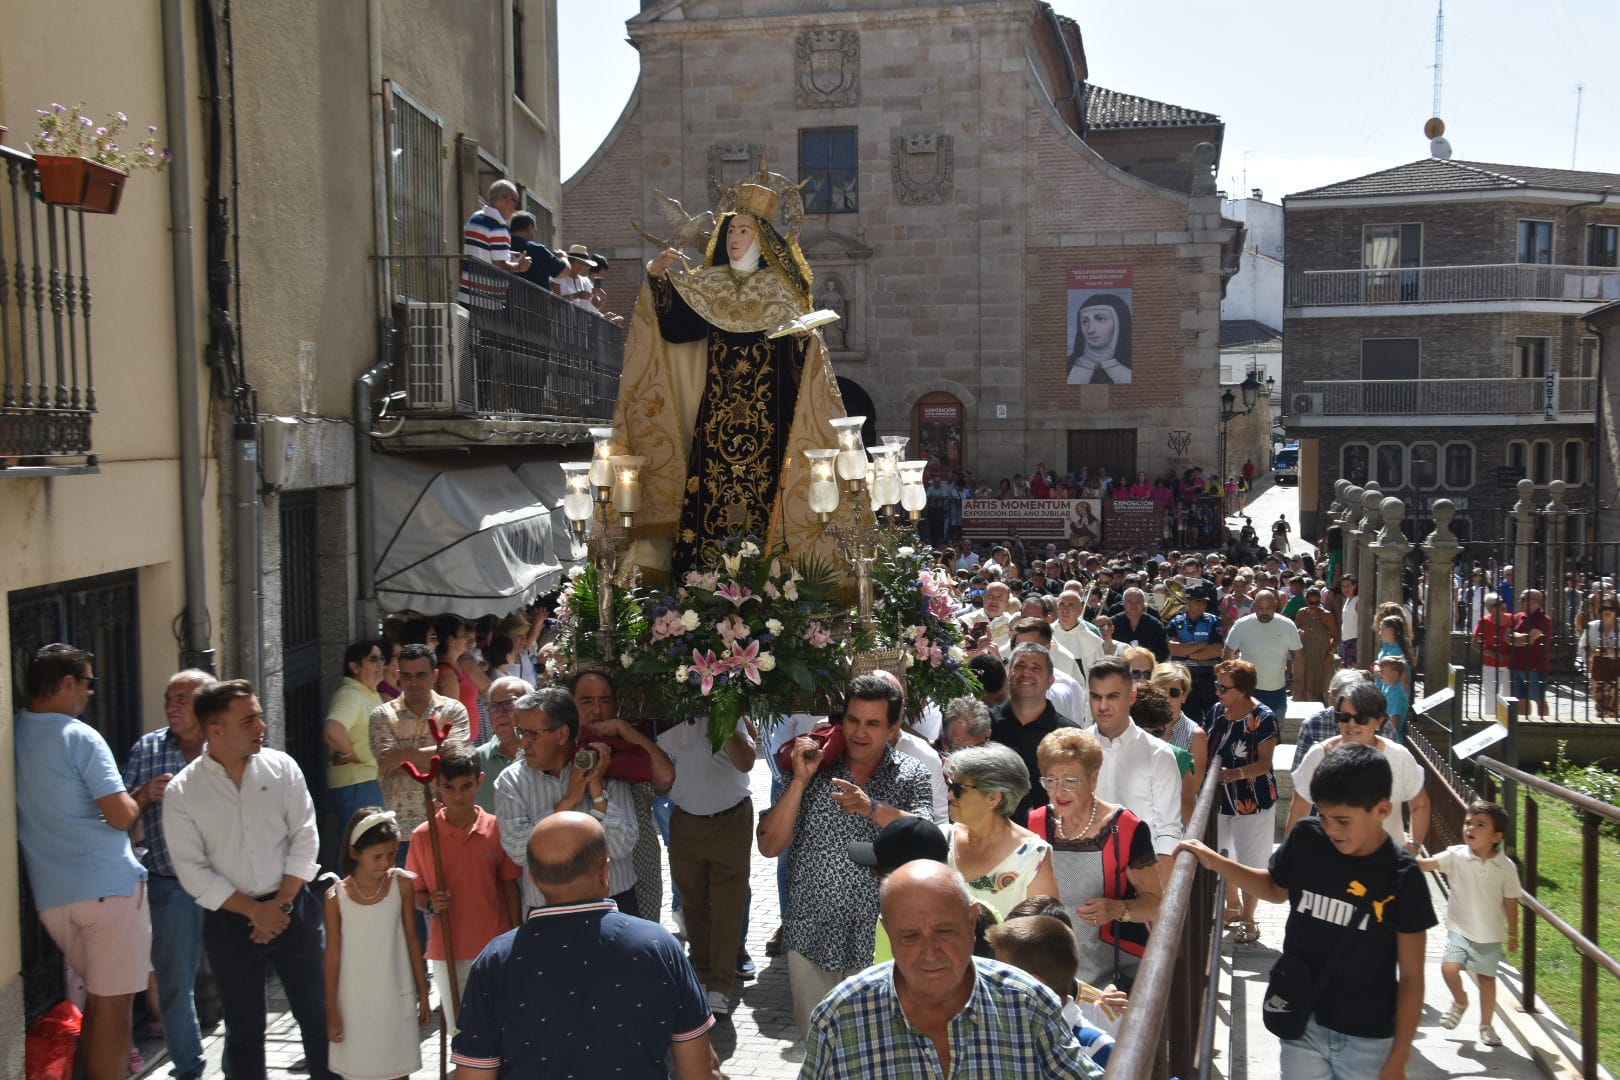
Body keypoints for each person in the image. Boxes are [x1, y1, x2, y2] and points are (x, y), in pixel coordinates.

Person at [617, 165, 848, 577]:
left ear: (760, 236)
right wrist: (657, 279)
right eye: (730, 231)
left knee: (765, 496)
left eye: (743, 230)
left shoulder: (781, 291)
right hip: (717, 417)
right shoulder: (708, 285)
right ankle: (703, 577)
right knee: (710, 492)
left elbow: (798, 366)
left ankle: (771, 579)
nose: (734, 238)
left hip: (767, 419)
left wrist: (801, 341)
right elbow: (676, 329)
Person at [1177, 744, 1436, 1080]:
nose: (1331, 830)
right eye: (1324, 816)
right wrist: (1215, 861)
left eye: (1343, 820)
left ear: (1383, 810)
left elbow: (1413, 978)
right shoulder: (1306, 838)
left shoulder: (1404, 877)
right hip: (1303, 1023)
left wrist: (1398, 1060)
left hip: (1368, 1038)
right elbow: (1274, 889)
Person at [450, 812, 719, 1078]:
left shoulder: (494, 961)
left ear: (534, 880)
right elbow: (700, 1069)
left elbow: (474, 1073)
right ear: (605, 872)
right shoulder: (660, 946)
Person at [164, 679, 334, 1080]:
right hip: (230, 921)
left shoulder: (282, 768)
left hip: (295, 908)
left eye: (259, 716)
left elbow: (305, 835)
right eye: (249, 720)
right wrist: (255, 912)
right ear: (216, 730)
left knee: (318, 1018)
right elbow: (192, 870)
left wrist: (281, 905)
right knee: (243, 1030)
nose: (261, 726)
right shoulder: (183, 792)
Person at [802, 861, 1100, 1078]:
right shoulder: (840, 1018)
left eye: (945, 931)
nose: (930, 953)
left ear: (972, 923)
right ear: (888, 933)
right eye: (910, 936)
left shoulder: (1027, 1004)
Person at [757, 675, 933, 1033]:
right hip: (811, 935)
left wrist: (872, 808)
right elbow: (769, 845)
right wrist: (801, 780)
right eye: (852, 720)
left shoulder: (912, 773)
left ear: (894, 727)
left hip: (883, 939)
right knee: (820, 1048)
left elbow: (927, 839)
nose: (860, 732)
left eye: (873, 723)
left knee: (878, 1051)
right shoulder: (811, 767)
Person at [15, 644, 150, 1080]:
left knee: (96, 1003)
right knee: (114, 1007)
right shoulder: (80, 736)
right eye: (89, 682)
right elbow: (119, 814)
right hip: (107, 887)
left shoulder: (13, 731)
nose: (92, 692)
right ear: (68, 683)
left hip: (53, 897)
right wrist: (140, 799)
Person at [122, 668, 213, 1080]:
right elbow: (121, 819)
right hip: (169, 884)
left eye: (183, 699)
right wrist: (143, 796)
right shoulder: (148, 749)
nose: (172, 706)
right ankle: (189, 1068)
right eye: (168, 699)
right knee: (176, 985)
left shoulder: (224, 745)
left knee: (237, 977)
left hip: (228, 884)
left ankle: (239, 1066)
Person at [1030, 727, 1163, 990]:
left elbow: (1156, 903)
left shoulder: (1126, 828)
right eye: (1051, 780)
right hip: (1054, 970)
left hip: (1116, 975)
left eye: (1070, 781)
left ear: (1093, 780)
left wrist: (1118, 909)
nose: (1059, 792)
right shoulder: (1035, 824)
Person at [494, 686, 640, 915]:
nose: (523, 743)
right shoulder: (511, 781)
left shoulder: (604, 764)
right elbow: (520, 851)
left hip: (613, 905)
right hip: (547, 912)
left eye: (532, 734)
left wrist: (596, 789)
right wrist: (567, 801)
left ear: (562, 734)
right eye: (520, 733)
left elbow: (622, 846)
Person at [406, 743, 520, 1026]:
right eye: (449, 787)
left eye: (466, 786)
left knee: (498, 1024)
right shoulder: (424, 835)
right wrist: (430, 902)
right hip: (448, 949)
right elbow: (413, 893)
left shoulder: (496, 827)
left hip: (494, 945)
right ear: (437, 786)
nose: (458, 795)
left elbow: (509, 886)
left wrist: (518, 937)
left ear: (479, 781)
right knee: (461, 1029)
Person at [656, 707, 756, 1016]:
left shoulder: (731, 714)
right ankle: (701, 973)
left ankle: (721, 985)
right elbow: (661, 781)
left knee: (728, 904)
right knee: (693, 901)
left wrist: (722, 718)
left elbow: (747, 761)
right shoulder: (667, 717)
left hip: (731, 817)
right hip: (685, 819)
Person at [323, 808, 429, 1080]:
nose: (386, 863)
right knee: (359, 1070)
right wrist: (332, 1008)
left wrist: (424, 993)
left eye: (392, 854)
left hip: (395, 995)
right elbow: (333, 955)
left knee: (397, 1069)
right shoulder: (336, 897)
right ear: (355, 852)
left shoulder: (402, 885)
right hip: (354, 1002)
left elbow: (413, 940)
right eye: (377, 856)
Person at [1417, 801, 1522, 1049]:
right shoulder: (1457, 855)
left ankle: (1486, 1025)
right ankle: (1460, 1000)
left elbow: (1511, 902)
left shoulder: (1506, 868)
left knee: (1487, 980)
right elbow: (1430, 863)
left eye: (1480, 825)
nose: (1470, 828)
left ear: (1497, 836)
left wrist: (1514, 934)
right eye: (1468, 823)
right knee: (1449, 969)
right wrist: (1402, 858)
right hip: (1459, 930)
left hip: (1489, 935)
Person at [369, 644, 471, 890]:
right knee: (411, 905)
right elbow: (386, 762)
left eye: (421, 675)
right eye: (407, 675)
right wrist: (436, 753)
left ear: (435, 675)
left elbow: (455, 756)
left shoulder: (453, 710)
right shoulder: (381, 715)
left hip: (449, 824)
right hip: (402, 832)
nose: (413, 682)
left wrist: (402, 755)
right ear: (398, 676)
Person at [1287, 681, 1429, 854]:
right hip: (1331, 862)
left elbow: (1420, 804)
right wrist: (1291, 859)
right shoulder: (1319, 756)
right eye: (1344, 717)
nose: (1351, 724)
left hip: (1386, 865)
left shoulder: (1399, 757)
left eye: (1361, 718)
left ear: (1379, 722)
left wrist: (1413, 847)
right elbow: (1299, 809)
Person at [1205, 660, 1281, 946]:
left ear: (1242, 690)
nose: (1217, 692)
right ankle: (1232, 905)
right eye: (1217, 686)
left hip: (1253, 801)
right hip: (1220, 801)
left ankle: (1248, 918)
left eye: (1223, 688)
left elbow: (1265, 763)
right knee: (1224, 858)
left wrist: (1233, 774)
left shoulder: (1264, 717)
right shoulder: (1216, 712)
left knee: (1252, 862)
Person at [1087, 656, 1183, 877]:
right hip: (1084, 875)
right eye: (1095, 696)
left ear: (1131, 697)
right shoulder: (1075, 749)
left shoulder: (1159, 754)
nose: (1102, 706)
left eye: (1112, 696)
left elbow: (1168, 830)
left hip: (1141, 877)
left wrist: (1159, 897)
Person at [985, 913, 1117, 1069]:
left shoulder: (1096, 1050)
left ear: (1034, 985)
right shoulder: (999, 1036)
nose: (989, 982)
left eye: (1001, 975)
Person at [943, 744, 1059, 919]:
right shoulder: (944, 839)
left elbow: (1043, 936)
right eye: (951, 786)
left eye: (959, 790)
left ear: (993, 798)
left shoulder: (1033, 857)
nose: (950, 795)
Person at [990, 643, 1080, 823]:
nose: (1026, 673)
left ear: (1051, 680)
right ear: (1009, 674)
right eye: (1020, 666)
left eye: (1036, 668)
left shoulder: (1069, 736)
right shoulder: (984, 724)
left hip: (1051, 839)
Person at [324, 639, 387, 836]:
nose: (380, 664)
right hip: (357, 783)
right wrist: (350, 754)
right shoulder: (351, 695)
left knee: (367, 844)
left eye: (382, 659)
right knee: (362, 846)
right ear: (354, 667)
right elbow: (333, 729)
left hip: (367, 781)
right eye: (373, 659)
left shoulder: (368, 693)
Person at [1223, 589, 1303, 722]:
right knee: (1246, 734)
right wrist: (1230, 683)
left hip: (1277, 691)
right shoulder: (1241, 625)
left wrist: (1298, 683)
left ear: (1276, 605)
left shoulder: (1287, 625)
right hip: (1247, 691)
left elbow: (1299, 655)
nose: (1264, 612)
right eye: (1260, 608)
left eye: (1268, 608)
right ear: (1254, 606)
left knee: (1275, 735)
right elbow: (1228, 653)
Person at [1166, 584, 1224, 722]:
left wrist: (1187, 651)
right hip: (1184, 681)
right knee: (1188, 720)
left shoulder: (1214, 621)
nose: (1202, 605)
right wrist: (1203, 645)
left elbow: (1217, 650)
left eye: (1204, 601)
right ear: (1188, 600)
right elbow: (1174, 649)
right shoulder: (1175, 622)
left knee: (1213, 719)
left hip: (1209, 679)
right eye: (1198, 601)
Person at [474, 675, 529, 811]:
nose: (500, 713)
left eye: (509, 704)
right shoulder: (476, 760)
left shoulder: (546, 755)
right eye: (493, 706)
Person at [1066, 292, 1132, 385]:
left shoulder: (1132, 365)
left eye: (1100, 319)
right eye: (1085, 321)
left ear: (1119, 323)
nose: (1090, 330)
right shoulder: (1067, 366)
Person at [1510, 589, 1552, 717]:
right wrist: (1519, 638)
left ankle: (1545, 725)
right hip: (1517, 664)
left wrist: (1515, 637)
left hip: (1534, 667)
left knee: (1539, 699)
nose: (1520, 602)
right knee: (1521, 699)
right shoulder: (1518, 616)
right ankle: (1523, 724)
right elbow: (1506, 635)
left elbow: (1530, 638)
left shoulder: (1543, 619)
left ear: (1535, 602)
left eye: (1523, 599)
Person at [1293, 586, 1339, 704]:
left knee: (1323, 681)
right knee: (1306, 680)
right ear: (1306, 600)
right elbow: (1294, 630)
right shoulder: (1301, 613)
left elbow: (1336, 635)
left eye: (1316, 602)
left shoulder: (1326, 615)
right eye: (1310, 602)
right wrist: (1299, 633)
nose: (1313, 605)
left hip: (1322, 653)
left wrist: (1331, 652)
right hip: (1306, 652)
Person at [1577, 594, 1620, 717]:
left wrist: (1611, 651)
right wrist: (1591, 655)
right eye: (1603, 608)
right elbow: (1582, 646)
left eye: (1610, 608)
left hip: (1617, 669)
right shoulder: (1592, 626)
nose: (1607, 611)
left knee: (1615, 705)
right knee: (1600, 706)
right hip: (1598, 669)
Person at [1472, 592, 1513, 714]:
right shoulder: (1484, 622)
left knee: (1509, 697)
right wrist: (1493, 654)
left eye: (1502, 601)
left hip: (1509, 664)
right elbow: (1475, 644)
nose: (1502, 605)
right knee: (1490, 697)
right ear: (1489, 608)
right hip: (1490, 664)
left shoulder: (1512, 619)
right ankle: (1490, 722)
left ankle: (1509, 724)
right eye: (1497, 604)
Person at [1111, 588, 1169, 663]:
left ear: (1144, 603)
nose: (1134, 605)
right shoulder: (1112, 623)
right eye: (1129, 602)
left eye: (1138, 602)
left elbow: (1163, 651)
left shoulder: (1155, 625)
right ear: (1123, 603)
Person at [1375, 655, 1412, 744]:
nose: (1380, 674)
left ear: (1394, 674)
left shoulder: (1397, 695)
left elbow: (1395, 721)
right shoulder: (1388, 688)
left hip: (1392, 739)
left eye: (1383, 671)